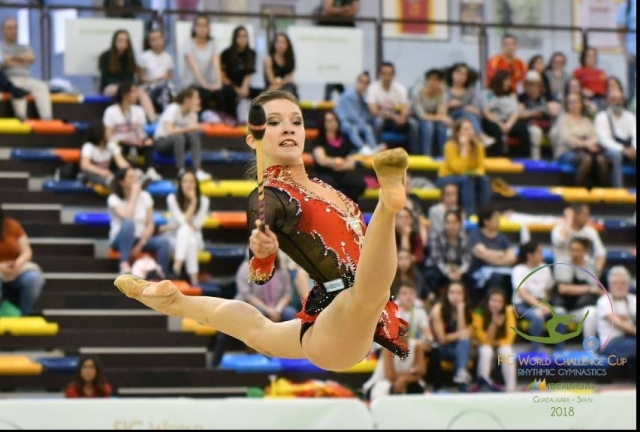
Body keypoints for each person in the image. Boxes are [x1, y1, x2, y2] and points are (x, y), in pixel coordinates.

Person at [114, 89, 412, 371]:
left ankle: (178, 303)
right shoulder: (269, 196)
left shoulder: (324, 187)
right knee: (365, 293)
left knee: (258, 331)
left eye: (296, 121)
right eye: (274, 122)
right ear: (253, 139)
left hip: (337, 319)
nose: (288, 128)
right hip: (340, 325)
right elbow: (259, 271)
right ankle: (388, 205)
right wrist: (263, 253)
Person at [108, 167, 171, 275]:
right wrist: (133, 195)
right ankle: (124, 263)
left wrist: (141, 244)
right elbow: (128, 216)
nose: (135, 180)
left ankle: (160, 274)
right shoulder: (114, 199)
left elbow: (150, 224)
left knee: (164, 242)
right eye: (131, 177)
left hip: (140, 239)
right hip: (120, 239)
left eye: (136, 177)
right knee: (129, 223)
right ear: (122, 182)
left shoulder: (145, 196)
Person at [162, 169, 210, 286]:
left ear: (196, 184)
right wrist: (192, 206)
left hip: (195, 236)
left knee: (187, 232)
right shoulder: (172, 199)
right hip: (174, 238)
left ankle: (176, 267)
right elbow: (182, 221)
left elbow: (197, 225)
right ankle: (194, 281)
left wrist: (194, 201)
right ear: (180, 183)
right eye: (185, 181)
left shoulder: (203, 201)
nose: (188, 185)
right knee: (189, 237)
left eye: (191, 181)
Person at [154, 87, 211, 181]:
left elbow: (192, 132)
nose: (199, 101)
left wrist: (194, 114)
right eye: (196, 98)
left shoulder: (192, 113)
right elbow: (170, 131)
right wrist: (189, 128)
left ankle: (197, 170)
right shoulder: (173, 108)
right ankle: (181, 170)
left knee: (194, 136)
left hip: (180, 144)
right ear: (187, 100)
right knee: (178, 136)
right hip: (162, 143)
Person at [0, 18, 52, 121]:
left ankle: (47, 120)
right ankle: (21, 120)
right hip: (10, 78)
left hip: (27, 78)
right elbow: (3, 61)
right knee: (17, 88)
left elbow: (31, 58)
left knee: (42, 86)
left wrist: (11, 58)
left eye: (15, 28)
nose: (13, 31)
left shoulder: (24, 46)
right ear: (3, 30)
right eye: (10, 28)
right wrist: (21, 60)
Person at [310, 110, 366, 203]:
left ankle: (349, 207)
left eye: (334, 120)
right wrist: (336, 161)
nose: (332, 123)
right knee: (330, 184)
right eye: (328, 121)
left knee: (359, 183)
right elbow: (322, 160)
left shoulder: (344, 139)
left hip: (341, 172)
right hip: (324, 173)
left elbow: (351, 163)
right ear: (322, 123)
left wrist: (341, 165)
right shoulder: (319, 140)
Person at [511, 241, 554, 352]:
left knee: (561, 313)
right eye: (539, 252)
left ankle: (560, 350)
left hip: (542, 302)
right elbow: (523, 294)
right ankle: (536, 349)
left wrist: (547, 305)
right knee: (537, 315)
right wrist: (540, 306)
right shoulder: (518, 270)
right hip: (522, 304)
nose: (542, 255)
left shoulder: (545, 268)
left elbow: (548, 291)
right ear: (529, 255)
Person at [0, 208, 44, 316]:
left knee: (34, 278)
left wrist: (17, 265)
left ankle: (24, 315)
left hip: (17, 269)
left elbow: (27, 251)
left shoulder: (12, 225)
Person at [472, 288, 517, 392]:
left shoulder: (508, 311)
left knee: (506, 351)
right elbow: (482, 338)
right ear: (488, 300)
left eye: (500, 301)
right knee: (486, 351)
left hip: (500, 343)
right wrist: (494, 324)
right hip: (483, 343)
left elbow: (510, 336)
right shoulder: (479, 310)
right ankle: (483, 385)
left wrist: (497, 342)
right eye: (493, 300)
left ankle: (511, 388)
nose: (496, 304)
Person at [597, 266, 636, 372]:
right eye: (615, 283)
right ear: (609, 285)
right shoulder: (604, 301)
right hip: (611, 343)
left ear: (628, 285)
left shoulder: (633, 300)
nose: (619, 286)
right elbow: (619, 324)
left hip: (630, 340)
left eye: (623, 283)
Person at [79, 121, 130, 189]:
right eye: (107, 130)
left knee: (125, 177)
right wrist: (101, 172)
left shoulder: (111, 145)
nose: (110, 132)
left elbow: (121, 162)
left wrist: (130, 171)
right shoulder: (89, 146)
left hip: (107, 175)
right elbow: (85, 165)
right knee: (109, 179)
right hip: (91, 175)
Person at [263, 33, 298, 99]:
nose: (280, 45)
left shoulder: (289, 59)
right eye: (278, 42)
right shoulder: (269, 59)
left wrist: (281, 83)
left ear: (288, 45)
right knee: (287, 89)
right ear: (274, 44)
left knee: (290, 89)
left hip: (286, 89)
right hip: (272, 90)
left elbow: (290, 79)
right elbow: (272, 81)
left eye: (283, 42)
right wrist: (285, 81)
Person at [617, 0, 636, 100]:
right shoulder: (627, 6)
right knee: (632, 88)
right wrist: (626, 52)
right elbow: (621, 30)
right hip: (633, 54)